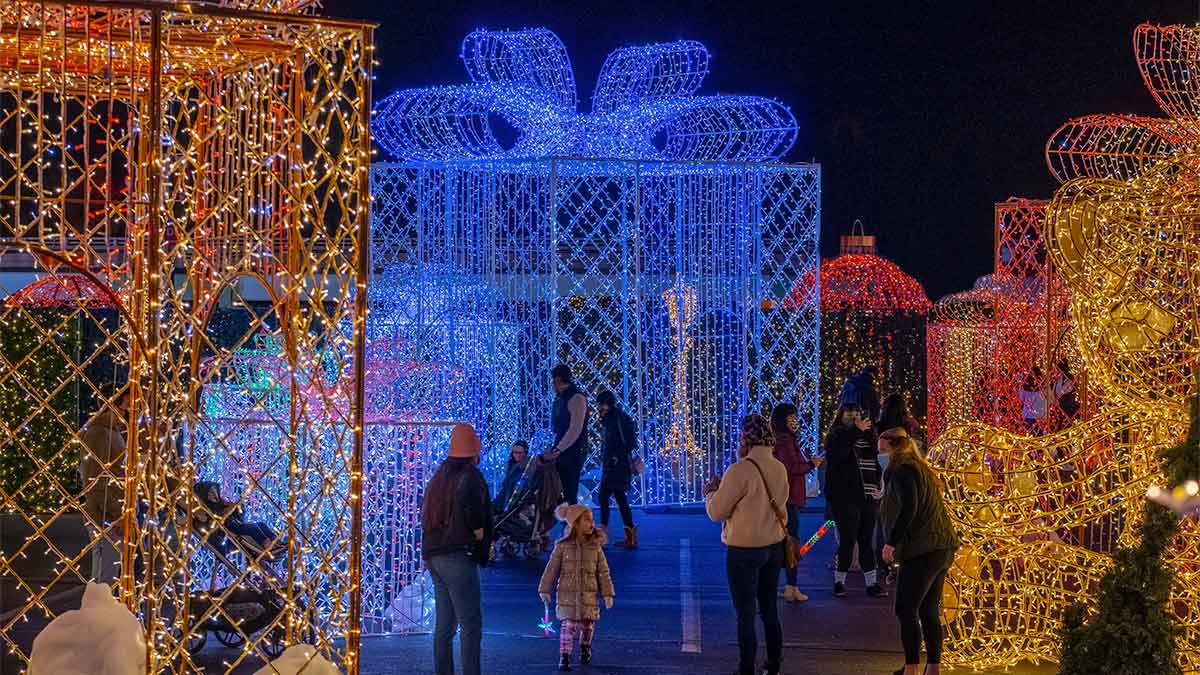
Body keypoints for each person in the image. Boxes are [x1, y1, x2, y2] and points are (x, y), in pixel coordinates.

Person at [704, 414, 788, 675]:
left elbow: (716, 512)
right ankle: (773, 664)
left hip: (743, 550)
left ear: (746, 439)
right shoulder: (778, 467)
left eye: (740, 436)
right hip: (773, 546)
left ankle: (746, 668)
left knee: (745, 613)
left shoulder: (739, 470)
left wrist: (710, 492)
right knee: (769, 609)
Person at [878, 427, 960, 675]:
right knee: (927, 608)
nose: (879, 454)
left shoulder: (902, 470)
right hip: (941, 545)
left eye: (882, 449)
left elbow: (909, 507)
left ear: (894, 447)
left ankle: (912, 667)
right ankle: (933, 667)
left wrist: (891, 542)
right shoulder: (920, 468)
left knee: (906, 608)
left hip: (923, 549)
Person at [421, 423, 493, 675]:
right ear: (474, 450)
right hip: (457, 554)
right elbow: (474, 508)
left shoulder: (440, 476)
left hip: (434, 554)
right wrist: (479, 533)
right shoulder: (471, 476)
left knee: (445, 626)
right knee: (470, 624)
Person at [538, 504, 615, 672]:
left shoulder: (595, 547)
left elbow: (603, 571)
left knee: (588, 626)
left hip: (588, 596)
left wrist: (608, 593)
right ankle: (564, 656)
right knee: (568, 627)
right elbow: (552, 568)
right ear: (576, 524)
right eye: (587, 520)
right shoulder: (562, 546)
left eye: (592, 520)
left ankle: (585, 647)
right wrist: (544, 589)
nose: (592, 524)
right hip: (567, 597)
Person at [823, 403, 887, 598]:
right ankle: (839, 582)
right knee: (848, 540)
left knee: (867, 541)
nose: (854, 418)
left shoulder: (869, 438)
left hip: (869, 496)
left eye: (857, 414)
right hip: (846, 497)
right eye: (849, 414)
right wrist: (854, 432)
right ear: (841, 416)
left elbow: (878, 463)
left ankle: (871, 583)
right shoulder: (836, 436)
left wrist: (881, 486)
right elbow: (838, 455)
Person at [770, 402, 821, 602]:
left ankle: (784, 585)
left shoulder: (784, 440)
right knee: (791, 544)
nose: (795, 421)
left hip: (787, 497)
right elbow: (792, 467)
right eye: (791, 417)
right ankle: (790, 586)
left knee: (783, 543)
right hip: (789, 498)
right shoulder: (784, 441)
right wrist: (810, 465)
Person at [79, 384, 130, 584]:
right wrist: (116, 514)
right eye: (124, 405)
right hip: (105, 515)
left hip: (110, 513)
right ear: (111, 405)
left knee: (108, 576)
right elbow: (95, 480)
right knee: (103, 580)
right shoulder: (99, 433)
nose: (126, 411)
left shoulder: (112, 431)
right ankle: (93, 614)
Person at [595, 391, 638, 549]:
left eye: (600, 404)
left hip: (615, 466)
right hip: (616, 465)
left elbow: (624, 442)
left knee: (604, 496)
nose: (598, 407)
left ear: (607, 404)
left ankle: (603, 535)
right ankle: (630, 535)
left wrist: (615, 457)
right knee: (619, 498)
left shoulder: (615, 419)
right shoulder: (616, 417)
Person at [545, 364, 590, 506]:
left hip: (572, 452)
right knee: (560, 490)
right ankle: (569, 523)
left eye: (553, 381)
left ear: (558, 380)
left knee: (569, 492)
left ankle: (574, 525)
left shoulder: (576, 398)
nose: (552, 385)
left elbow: (575, 429)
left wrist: (558, 449)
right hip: (563, 450)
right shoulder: (562, 398)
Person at [495, 441, 531, 514]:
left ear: (525, 453)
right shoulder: (512, 466)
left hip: (516, 503)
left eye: (519, 453)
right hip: (505, 500)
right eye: (514, 452)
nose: (517, 455)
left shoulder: (528, 467)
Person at [1019, 367, 1048, 434]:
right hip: (1042, 414)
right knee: (1041, 435)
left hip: (1029, 415)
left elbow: (1021, 399)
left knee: (1031, 434)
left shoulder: (1025, 387)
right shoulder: (1044, 386)